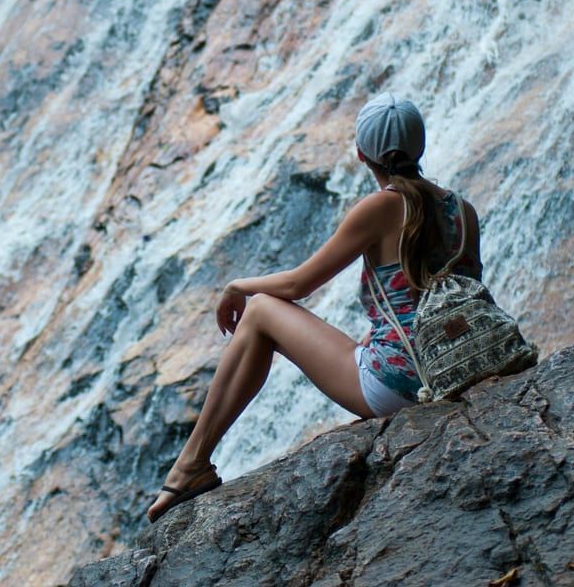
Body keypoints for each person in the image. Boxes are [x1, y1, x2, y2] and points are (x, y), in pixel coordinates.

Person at [146, 92, 483, 522]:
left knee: (263, 310)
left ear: (362, 154)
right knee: (282, 314)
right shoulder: (463, 211)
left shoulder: (380, 206)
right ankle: (190, 466)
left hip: (399, 386)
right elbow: (449, 298)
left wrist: (237, 285)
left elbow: (298, 283)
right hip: (456, 370)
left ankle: (191, 465)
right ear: (420, 148)